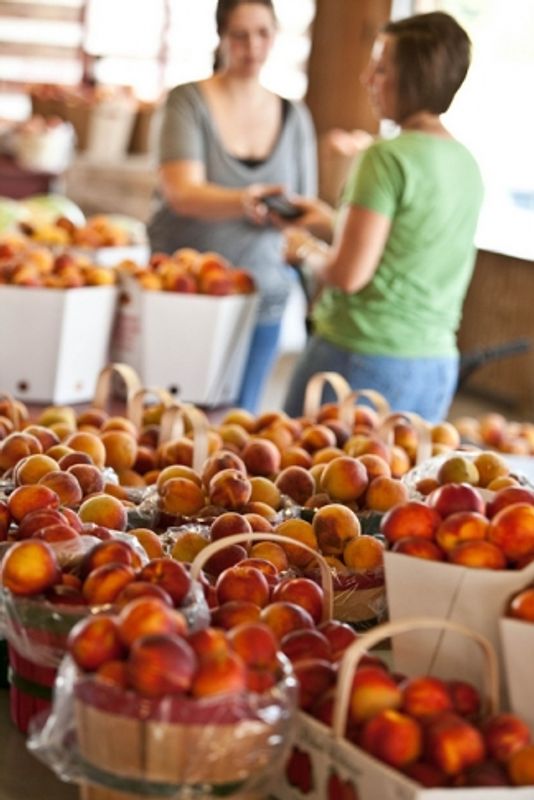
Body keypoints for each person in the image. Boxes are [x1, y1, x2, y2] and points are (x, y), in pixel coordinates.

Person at [281, 11, 484, 423]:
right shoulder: (466, 163)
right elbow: (408, 242)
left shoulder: (385, 157)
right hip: (434, 365)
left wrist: (305, 250)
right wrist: (326, 219)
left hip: (360, 357)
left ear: (412, 79)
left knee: (295, 478)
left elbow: (347, 274)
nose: (366, 78)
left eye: (380, 68)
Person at [147, 0, 317, 413]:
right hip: (186, 293)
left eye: (263, 33)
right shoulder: (188, 101)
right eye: (240, 35)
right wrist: (244, 202)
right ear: (222, 38)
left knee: (242, 422)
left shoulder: (294, 116)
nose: (252, 46)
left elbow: (303, 213)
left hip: (264, 294)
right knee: (171, 419)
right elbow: (182, 192)